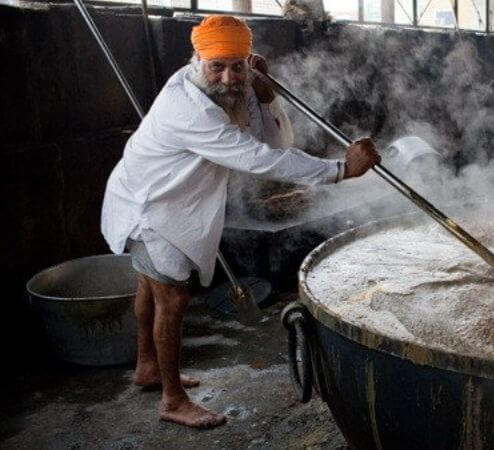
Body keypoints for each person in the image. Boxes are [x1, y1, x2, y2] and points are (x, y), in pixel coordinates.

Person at [100, 15, 380, 429]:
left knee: (151, 286)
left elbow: (274, 140)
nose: (229, 77)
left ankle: (148, 367)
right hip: (149, 206)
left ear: (248, 60)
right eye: (218, 66)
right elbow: (261, 160)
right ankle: (172, 399)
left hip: (174, 201)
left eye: (237, 65)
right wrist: (341, 169)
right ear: (197, 60)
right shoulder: (188, 105)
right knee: (172, 299)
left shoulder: (235, 85)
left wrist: (265, 94)